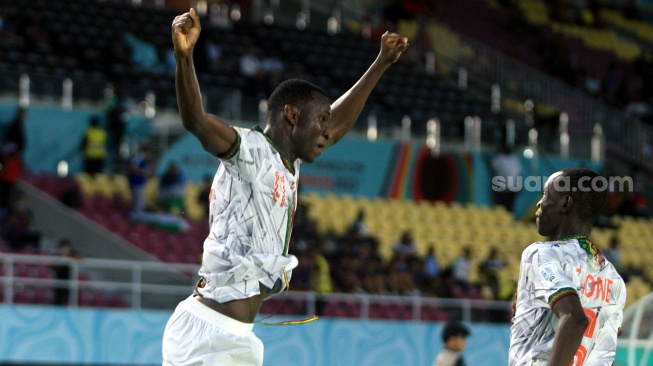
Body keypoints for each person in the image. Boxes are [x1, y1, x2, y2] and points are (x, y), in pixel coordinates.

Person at [162, 8, 408, 366]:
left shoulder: (288, 162)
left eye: (326, 122)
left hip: (234, 336)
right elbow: (196, 121)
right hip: (208, 334)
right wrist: (184, 57)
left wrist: (381, 63)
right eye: (319, 120)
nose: (327, 131)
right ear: (292, 115)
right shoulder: (250, 150)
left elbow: (338, 126)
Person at [509, 168, 626, 366]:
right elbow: (605, 354)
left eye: (546, 195)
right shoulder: (614, 279)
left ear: (565, 203)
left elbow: (574, 319)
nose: (539, 203)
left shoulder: (541, 254)